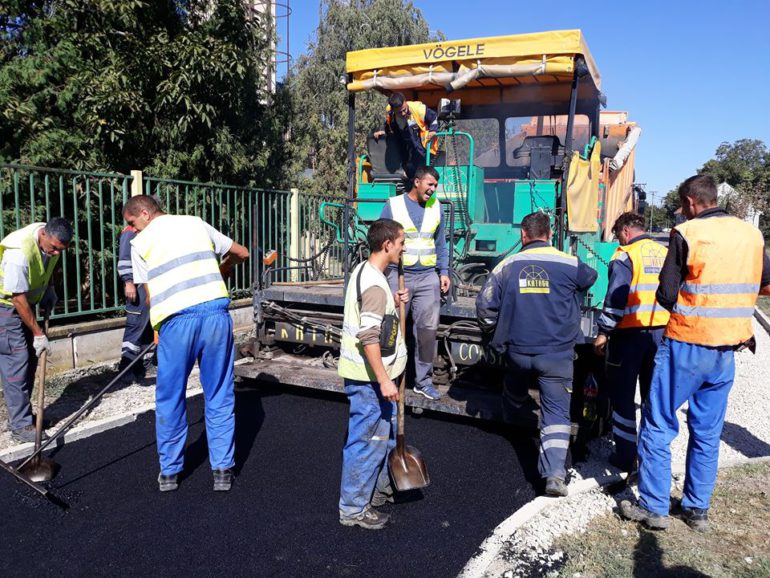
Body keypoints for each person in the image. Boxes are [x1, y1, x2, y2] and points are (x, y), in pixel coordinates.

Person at [620, 175, 770, 531]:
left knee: (659, 424)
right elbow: (764, 282)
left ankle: (655, 508)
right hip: (728, 348)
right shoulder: (752, 235)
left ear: (690, 202)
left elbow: (667, 294)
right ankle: (697, 509)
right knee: (707, 430)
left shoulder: (688, 233)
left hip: (687, 344)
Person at [122, 195, 249, 492]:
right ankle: (222, 471)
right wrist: (224, 267)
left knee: (170, 396)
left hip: (177, 321)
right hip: (216, 317)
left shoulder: (140, 244)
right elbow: (241, 253)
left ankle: (169, 473)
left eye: (132, 223)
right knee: (219, 393)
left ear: (144, 213)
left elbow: (150, 294)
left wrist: (157, 330)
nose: (131, 230)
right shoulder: (196, 224)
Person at [476, 212, 597, 497]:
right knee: (556, 411)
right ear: (550, 233)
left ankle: (513, 411)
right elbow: (590, 278)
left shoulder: (506, 265)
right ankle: (554, 475)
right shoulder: (568, 262)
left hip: (517, 351)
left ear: (523, 235)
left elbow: (485, 304)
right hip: (557, 354)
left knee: (514, 379)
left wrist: (493, 332)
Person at [338, 218, 409, 530]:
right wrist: (383, 379)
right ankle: (353, 509)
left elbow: (375, 318)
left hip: (370, 377)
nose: (404, 249)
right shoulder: (375, 284)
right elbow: (368, 336)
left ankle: (379, 490)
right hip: (369, 380)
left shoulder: (366, 272)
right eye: (402, 243)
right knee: (368, 441)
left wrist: (393, 303)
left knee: (383, 436)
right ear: (387, 245)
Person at [593, 212, 669, 472]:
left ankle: (625, 456)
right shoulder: (664, 252)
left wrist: (603, 332)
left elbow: (616, 297)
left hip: (629, 335)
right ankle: (651, 454)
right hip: (661, 334)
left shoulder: (625, 255)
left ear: (625, 231)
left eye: (617, 235)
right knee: (652, 396)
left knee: (623, 396)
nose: (618, 240)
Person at [380, 165, 449, 401]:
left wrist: (444, 271)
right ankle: (386, 377)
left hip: (428, 277)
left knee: (427, 333)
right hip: (398, 275)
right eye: (430, 184)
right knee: (391, 329)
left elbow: (441, 243)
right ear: (417, 182)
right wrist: (383, 272)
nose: (433, 189)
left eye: (435, 186)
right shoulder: (394, 205)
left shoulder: (436, 206)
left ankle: (423, 382)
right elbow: (381, 239)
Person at [0, 218, 72, 443]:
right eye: (53, 248)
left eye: (60, 250)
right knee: (17, 361)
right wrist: (38, 333)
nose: (56, 254)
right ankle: (20, 426)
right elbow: (17, 298)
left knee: (30, 360)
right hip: (6, 308)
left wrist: (49, 289)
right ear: (43, 236)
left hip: (24, 305)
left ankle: (26, 416)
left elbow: (45, 267)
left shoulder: (50, 243)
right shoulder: (18, 253)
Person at [373, 92, 439, 183]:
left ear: (405, 101)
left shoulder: (418, 109)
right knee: (407, 166)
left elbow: (433, 118)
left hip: (422, 146)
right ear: (393, 109)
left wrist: (433, 130)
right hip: (405, 143)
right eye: (399, 112)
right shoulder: (390, 112)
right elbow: (390, 125)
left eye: (404, 110)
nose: (403, 113)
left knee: (421, 169)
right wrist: (385, 131)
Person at [116, 224, 154, 383]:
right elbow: (124, 258)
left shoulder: (151, 229)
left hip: (151, 285)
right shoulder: (131, 231)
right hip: (138, 287)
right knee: (135, 326)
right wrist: (128, 282)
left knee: (149, 327)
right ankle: (126, 367)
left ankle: (144, 364)